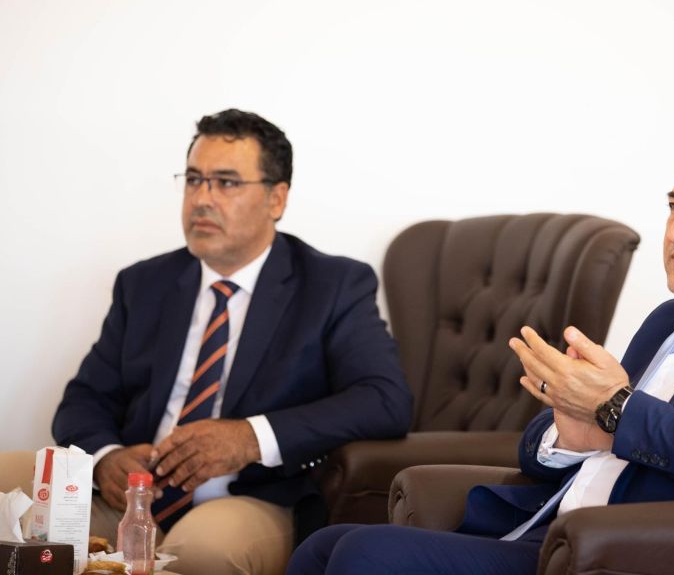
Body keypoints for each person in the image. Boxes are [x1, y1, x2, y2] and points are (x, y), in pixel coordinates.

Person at [286, 137, 674, 574]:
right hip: (546, 532)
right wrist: (569, 434)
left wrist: (615, 410)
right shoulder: (665, 320)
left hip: (619, 553)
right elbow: (560, 443)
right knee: (323, 546)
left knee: (365, 555)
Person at [52, 109, 413, 574]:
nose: (202, 199)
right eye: (194, 180)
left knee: (201, 552)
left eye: (225, 183)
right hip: (134, 498)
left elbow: (384, 399)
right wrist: (106, 457)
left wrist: (251, 437)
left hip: (249, 496)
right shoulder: (144, 283)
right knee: (12, 494)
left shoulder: (332, 285)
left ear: (276, 199)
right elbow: (83, 398)